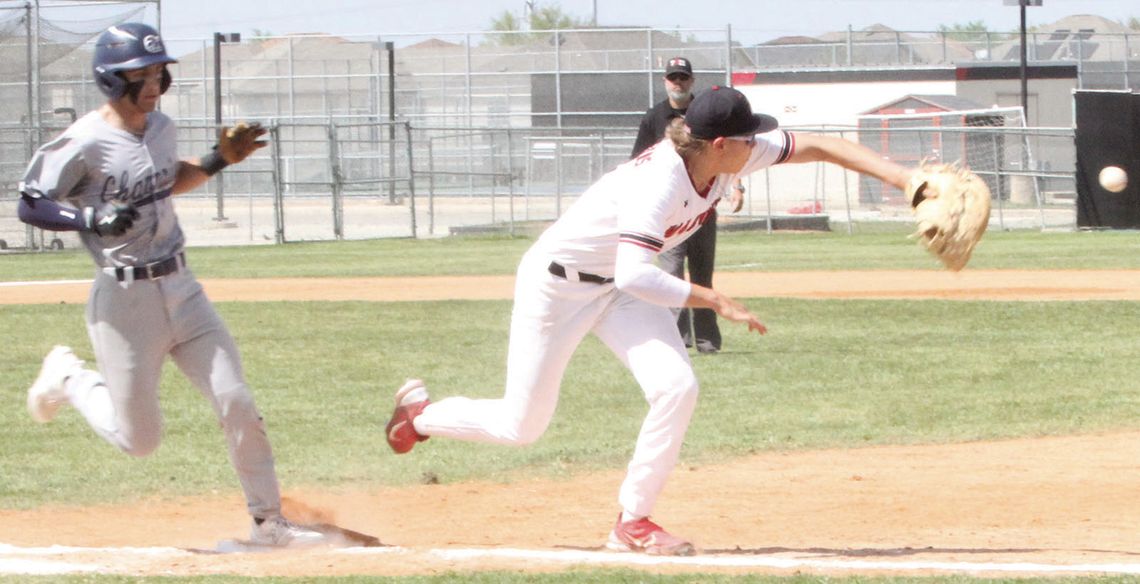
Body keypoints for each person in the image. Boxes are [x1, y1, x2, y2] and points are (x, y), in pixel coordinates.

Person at [384, 86, 916, 556]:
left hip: (619, 290)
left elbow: (821, 145)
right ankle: (421, 415)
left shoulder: (726, 154)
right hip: (558, 288)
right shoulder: (658, 182)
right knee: (523, 426)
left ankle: (632, 522)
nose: (759, 144)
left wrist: (904, 178)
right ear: (719, 145)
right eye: (748, 138)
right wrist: (711, 298)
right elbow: (636, 273)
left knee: (676, 387)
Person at [17, 22, 325, 547]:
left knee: (236, 399)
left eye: (160, 70)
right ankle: (69, 377)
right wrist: (88, 220)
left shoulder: (160, 127)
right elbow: (31, 201)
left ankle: (268, 522)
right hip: (124, 301)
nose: (155, 81)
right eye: (143, 72)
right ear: (112, 79)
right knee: (140, 442)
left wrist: (217, 159)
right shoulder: (86, 139)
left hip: (183, 288)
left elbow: (165, 180)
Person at [630, 56, 744, 354]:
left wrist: (737, 184)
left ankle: (707, 342)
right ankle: (677, 341)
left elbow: (730, 151)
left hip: (703, 208)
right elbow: (637, 163)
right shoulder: (654, 117)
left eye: (683, 77)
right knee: (671, 276)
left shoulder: (705, 113)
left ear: (692, 81)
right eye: (672, 77)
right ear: (665, 81)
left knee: (703, 274)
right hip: (669, 214)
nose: (677, 82)